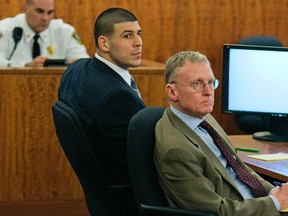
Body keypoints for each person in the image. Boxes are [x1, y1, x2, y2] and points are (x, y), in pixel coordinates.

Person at [154, 51, 288, 216]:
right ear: (172, 92)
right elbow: (216, 211)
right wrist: (273, 203)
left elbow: (241, 170)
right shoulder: (176, 149)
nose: (209, 92)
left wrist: (277, 193)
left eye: (211, 82)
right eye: (197, 84)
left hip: (256, 205)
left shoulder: (205, 118)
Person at [57, 8, 145, 215]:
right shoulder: (117, 98)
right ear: (104, 43)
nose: (138, 42)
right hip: (129, 203)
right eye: (127, 35)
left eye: (139, 33)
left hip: (102, 199)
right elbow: (141, 163)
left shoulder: (77, 69)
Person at [0, 0, 89, 68]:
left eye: (50, 12)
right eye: (40, 11)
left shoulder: (64, 32)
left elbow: (84, 62)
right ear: (25, 9)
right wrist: (25, 66)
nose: (45, 18)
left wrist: (79, 65)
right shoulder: (5, 29)